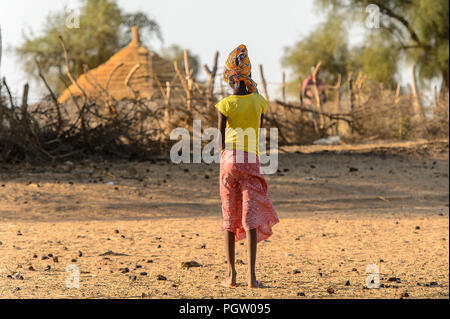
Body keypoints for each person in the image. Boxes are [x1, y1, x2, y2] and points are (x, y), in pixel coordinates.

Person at [216, 44, 279, 289]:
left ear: (231, 77)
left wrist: (226, 158)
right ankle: (252, 278)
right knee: (250, 217)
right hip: (250, 160)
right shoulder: (259, 102)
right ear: (248, 73)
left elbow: (220, 136)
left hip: (229, 160)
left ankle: (231, 277)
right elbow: (258, 130)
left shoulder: (225, 104)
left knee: (230, 217)